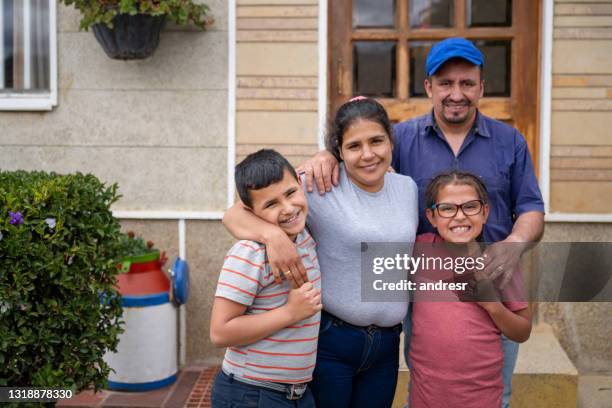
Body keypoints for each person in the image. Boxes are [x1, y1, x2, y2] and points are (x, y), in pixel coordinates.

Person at [298, 38, 545, 408]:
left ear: (482, 86)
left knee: (494, 393)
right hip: (425, 295)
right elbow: (364, 149)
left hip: (491, 284)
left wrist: (509, 251)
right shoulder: (402, 138)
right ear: (428, 87)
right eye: (445, 83)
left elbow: (531, 209)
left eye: (466, 83)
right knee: (428, 388)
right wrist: (326, 154)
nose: (456, 93)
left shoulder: (510, 141)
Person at [223, 98, 419, 407]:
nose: (368, 154)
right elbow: (235, 214)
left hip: (386, 344)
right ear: (338, 151)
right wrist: (274, 236)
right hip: (333, 341)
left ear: (390, 142)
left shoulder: (407, 188)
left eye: (376, 141)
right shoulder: (318, 185)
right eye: (354, 146)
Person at [409, 170, 532, 407]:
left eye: (470, 206)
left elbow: (522, 332)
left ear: (485, 212)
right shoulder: (419, 250)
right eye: (447, 208)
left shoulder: (501, 262)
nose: (459, 216)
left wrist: (493, 306)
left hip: (480, 399)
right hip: (425, 398)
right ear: (431, 217)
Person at [210, 149, 322, 407]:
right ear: (251, 211)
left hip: (297, 393)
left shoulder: (305, 237)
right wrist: (290, 313)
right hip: (251, 393)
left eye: (291, 193)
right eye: (270, 204)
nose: (288, 208)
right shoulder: (249, 253)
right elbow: (220, 332)